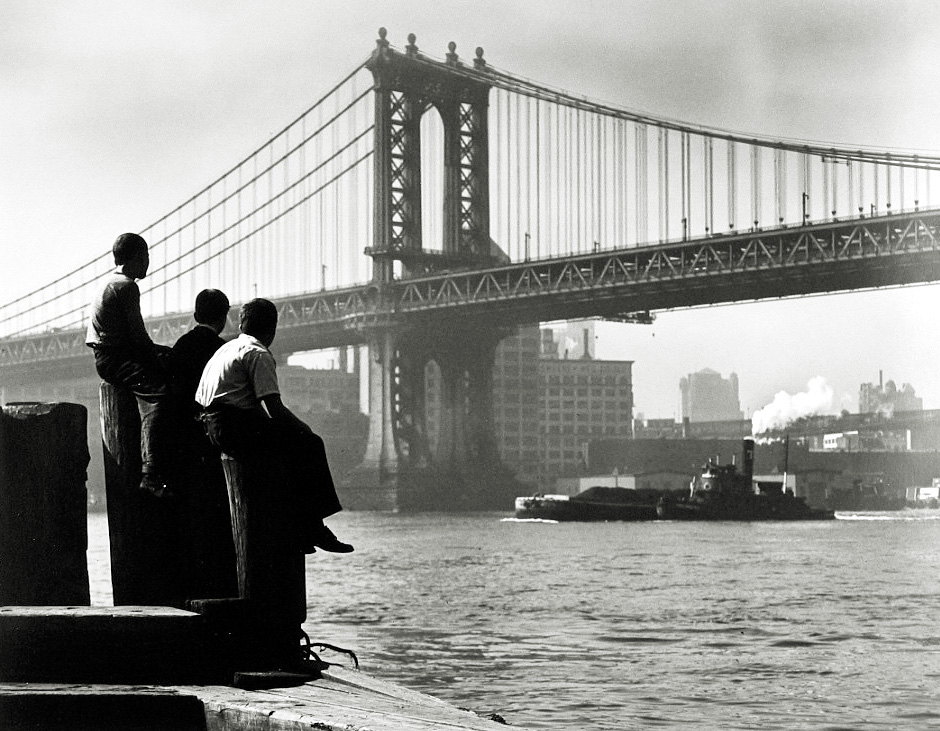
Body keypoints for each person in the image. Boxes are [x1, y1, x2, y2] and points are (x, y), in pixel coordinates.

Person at [196, 297, 353, 554]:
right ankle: (313, 528)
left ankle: (302, 527)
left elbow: (249, 405)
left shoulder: (224, 350)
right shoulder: (258, 354)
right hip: (235, 427)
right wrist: (304, 429)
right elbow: (275, 409)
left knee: (285, 453)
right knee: (310, 444)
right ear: (273, 328)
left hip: (213, 427)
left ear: (240, 324)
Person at [86, 232, 174, 496]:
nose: (148, 263)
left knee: (162, 366)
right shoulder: (126, 286)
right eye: (146, 256)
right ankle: (151, 473)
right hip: (116, 358)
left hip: (108, 356)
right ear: (136, 257)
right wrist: (160, 357)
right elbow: (138, 337)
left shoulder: (109, 283)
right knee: (158, 396)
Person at [169, 288, 238, 600]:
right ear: (223, 319)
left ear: (196, 316)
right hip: (210, 447)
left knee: (188, 523)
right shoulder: (222, 351)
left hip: (180, 445)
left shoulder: (180, 347)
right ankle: (215, 588)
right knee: (215, 523)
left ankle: (186, 588)